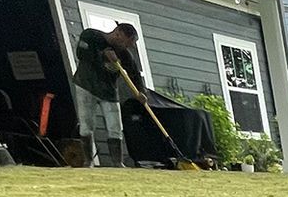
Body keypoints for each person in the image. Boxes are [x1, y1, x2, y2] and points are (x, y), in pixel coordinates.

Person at [70, 21, 215, 166]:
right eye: (127, 43)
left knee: (115, 126)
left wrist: (141, 92)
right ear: (118, 33)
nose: (127, 47)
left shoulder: (124, 54)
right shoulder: (91, 36)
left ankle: (117, 163)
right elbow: (82, 54)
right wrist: (103, 55)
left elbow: (135, 74)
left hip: (108, 91)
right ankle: (88, 162)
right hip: (86, 86)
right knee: (87, 124)